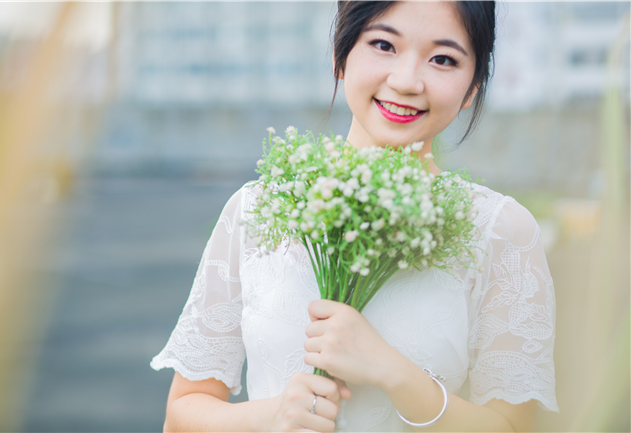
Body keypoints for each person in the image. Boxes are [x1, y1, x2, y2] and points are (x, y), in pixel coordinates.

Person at [151, 1, 559, 431]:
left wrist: (392, 372)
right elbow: (182, 415)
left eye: (443, 59)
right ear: (339, 57)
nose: (405, 81)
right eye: (383, 44)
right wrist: (271, 416)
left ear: (472, 87)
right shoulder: (257, 208)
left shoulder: (499, 230)